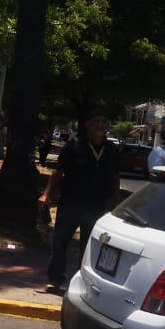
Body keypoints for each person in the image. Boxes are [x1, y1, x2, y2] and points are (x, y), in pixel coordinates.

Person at [39, 110, 121, 293]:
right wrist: (46, 194)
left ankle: (82, 283)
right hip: (70, 204)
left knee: (89, 247)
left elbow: (115, 177)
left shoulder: (111, 149)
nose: (100, 125)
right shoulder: (74, 145)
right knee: (60, 243)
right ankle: (55, 279)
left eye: (103, 121)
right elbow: (58, 172)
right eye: (96, 121)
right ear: (88, 124)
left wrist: (116, 202)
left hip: (97, 207)